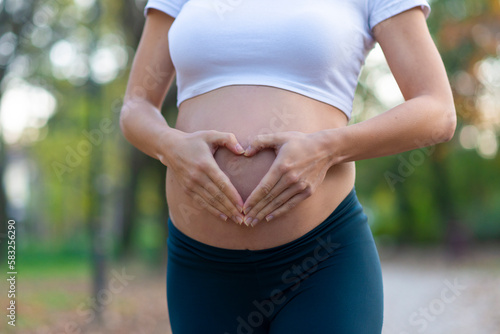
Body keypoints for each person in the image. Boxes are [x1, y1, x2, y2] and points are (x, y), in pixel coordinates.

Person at [119, 0, 456, 333]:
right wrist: (170, 146)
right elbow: (136, 105)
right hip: (201, 268)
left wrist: (326, 148)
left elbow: (437, 111)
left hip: (322, 262)